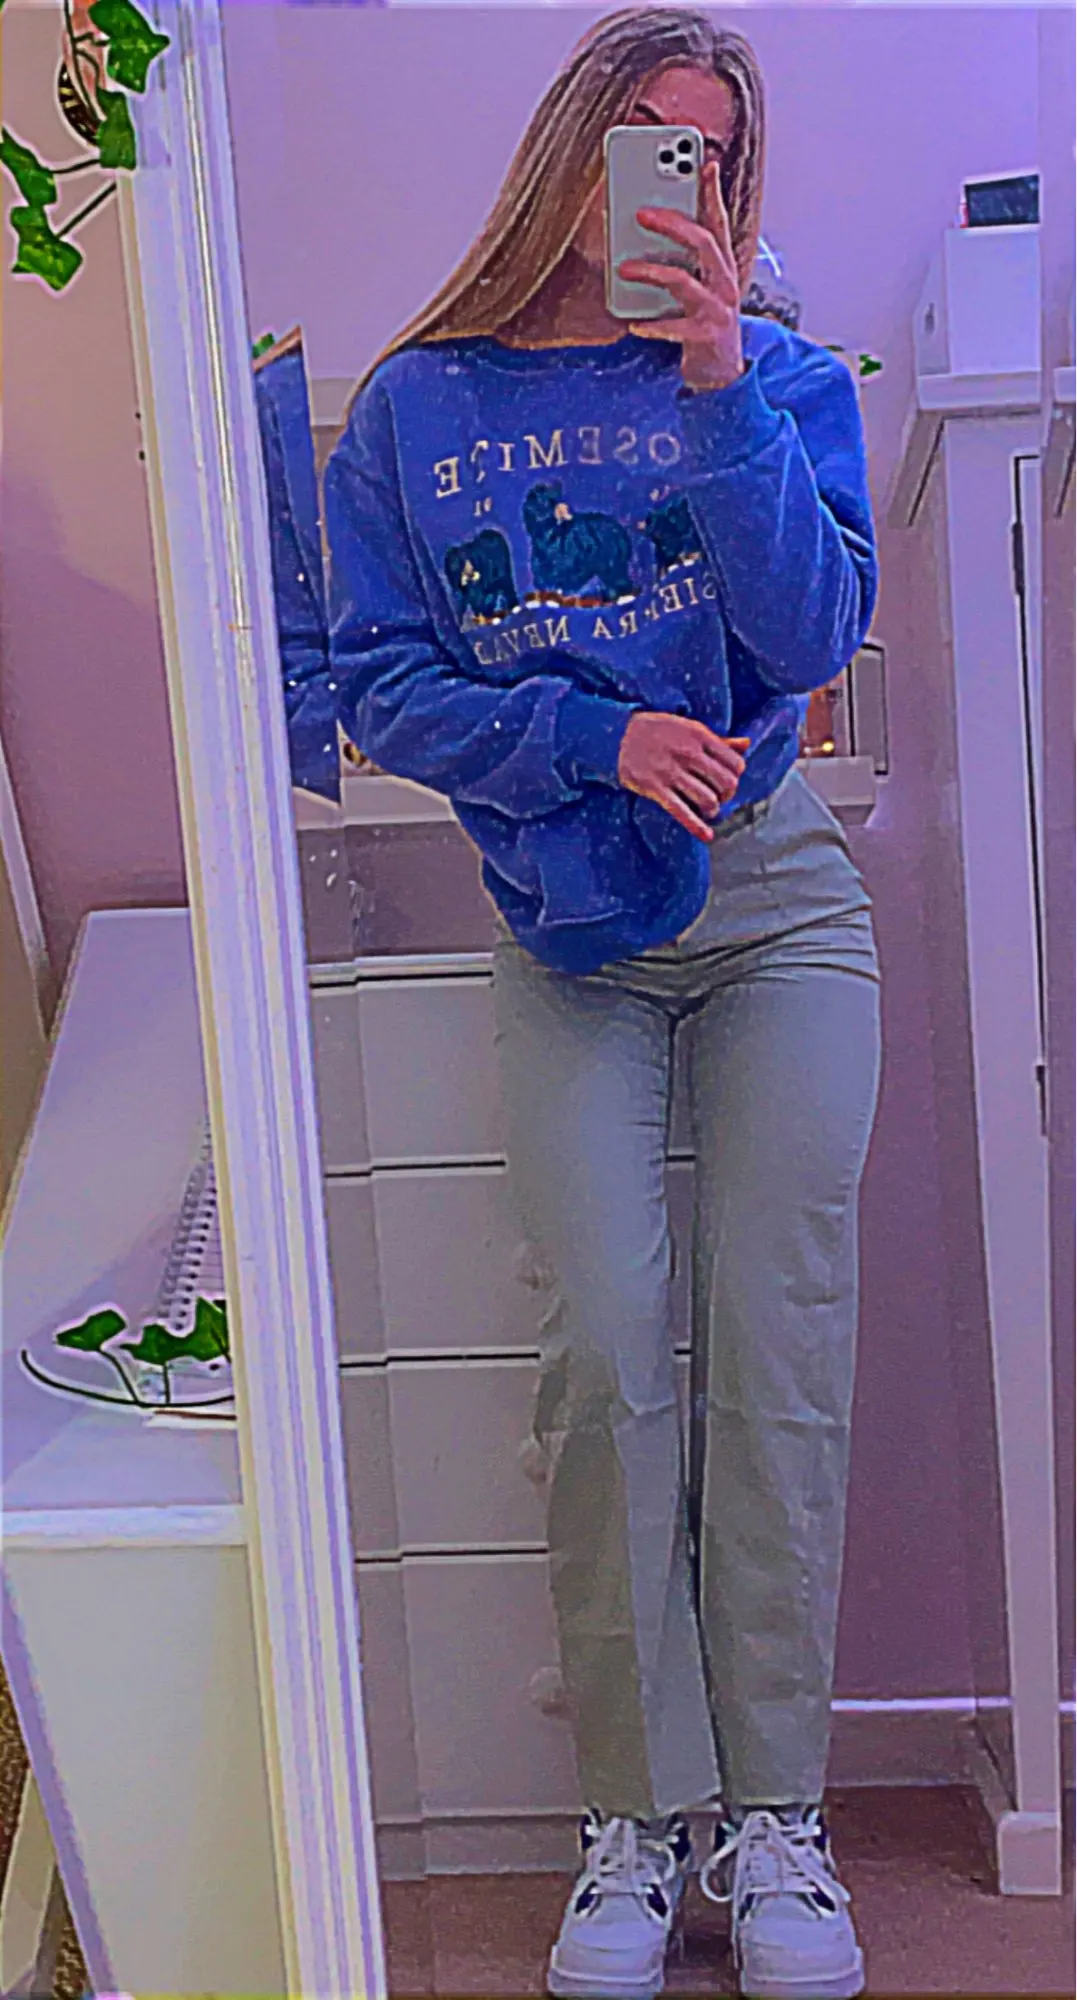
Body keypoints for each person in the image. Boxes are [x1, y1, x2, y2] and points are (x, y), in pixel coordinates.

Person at [324, 11, 881, 1997]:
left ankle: (779, 1820)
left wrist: (722, 381)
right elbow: (375, 687)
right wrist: (587, 734)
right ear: (566, 146)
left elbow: (816, 635)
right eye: (642, 138)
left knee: (781, 1353)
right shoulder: (415, 406)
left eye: (707, 154)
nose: (672, 182)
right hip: (569, 924)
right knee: (604, 1361)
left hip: (779, 905)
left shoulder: (781, 376)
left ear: (734, 186)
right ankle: (633, 1825)